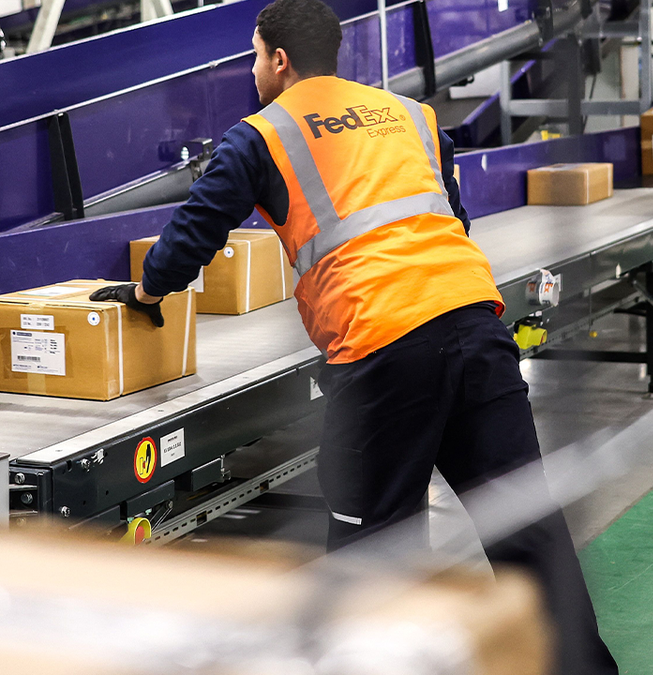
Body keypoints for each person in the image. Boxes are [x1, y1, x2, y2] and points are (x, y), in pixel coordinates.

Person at [87, 0, 618, 671]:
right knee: (525, 527)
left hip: (383, 351)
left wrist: (145, 293)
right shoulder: (412, 116)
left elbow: (194, 232)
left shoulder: (261, 134)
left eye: (255, 56)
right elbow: (453, 218)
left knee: (375, 550)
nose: (254, 71)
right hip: (476, 327)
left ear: (279, 61)